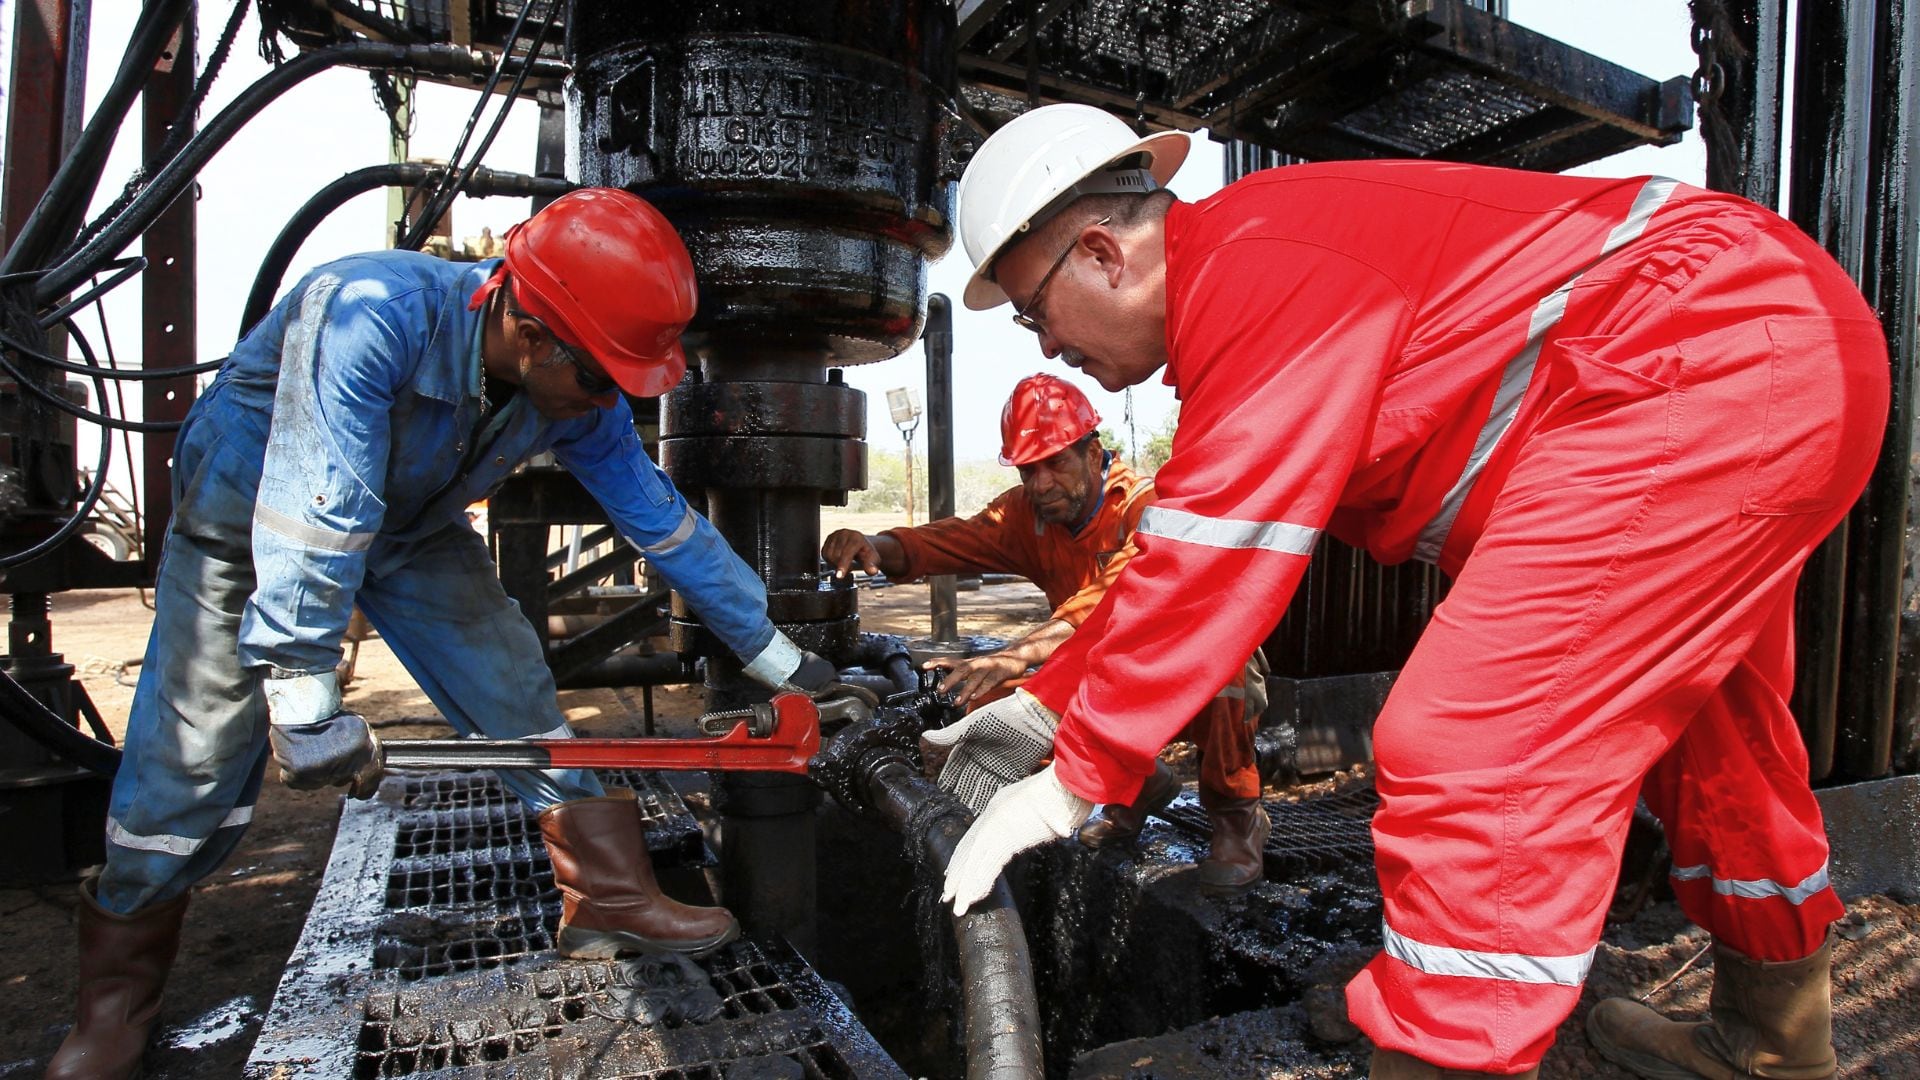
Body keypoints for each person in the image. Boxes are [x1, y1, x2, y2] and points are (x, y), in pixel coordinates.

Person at [929, 104, 1887, 1079]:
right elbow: (1190, 549)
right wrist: (1041, 712)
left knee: (1476, 744)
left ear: (1102, 252)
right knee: (1716, 735)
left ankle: (1439, 1053)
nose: (1045, 346)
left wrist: (1073, 764)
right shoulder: (1256, 261)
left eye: (1032, 311)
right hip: (1768, 339)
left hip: (1703, 344)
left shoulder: (1257, 262)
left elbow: (1210, 558)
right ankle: (1774, 1038)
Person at [47, 188, 838, 1080]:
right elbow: (322, 507)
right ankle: (110, 1009)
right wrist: (304, 693)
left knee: (512, 682)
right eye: (600, 379)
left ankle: (606, 898)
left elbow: (661, 523)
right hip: (250, 522)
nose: (607, 402)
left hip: (410, 527)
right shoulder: (367, 314)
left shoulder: (571, 389)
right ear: (530, 334)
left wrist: (777, 656)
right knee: (191, 760)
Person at [821, 373, 1271, 894]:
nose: (1041, 484)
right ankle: (1138, 787)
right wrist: (874, 544)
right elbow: (950, 541)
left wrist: (1021, 653)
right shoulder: (1027, 516)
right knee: (984, 693)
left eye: (1055, 463)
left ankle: (1237, 817)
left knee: (1225, 676)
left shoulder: (1144, 509)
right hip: (1095, 669)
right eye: (1028, 470)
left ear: (1093, 453)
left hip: (1180, 662)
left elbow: (1115, 597)